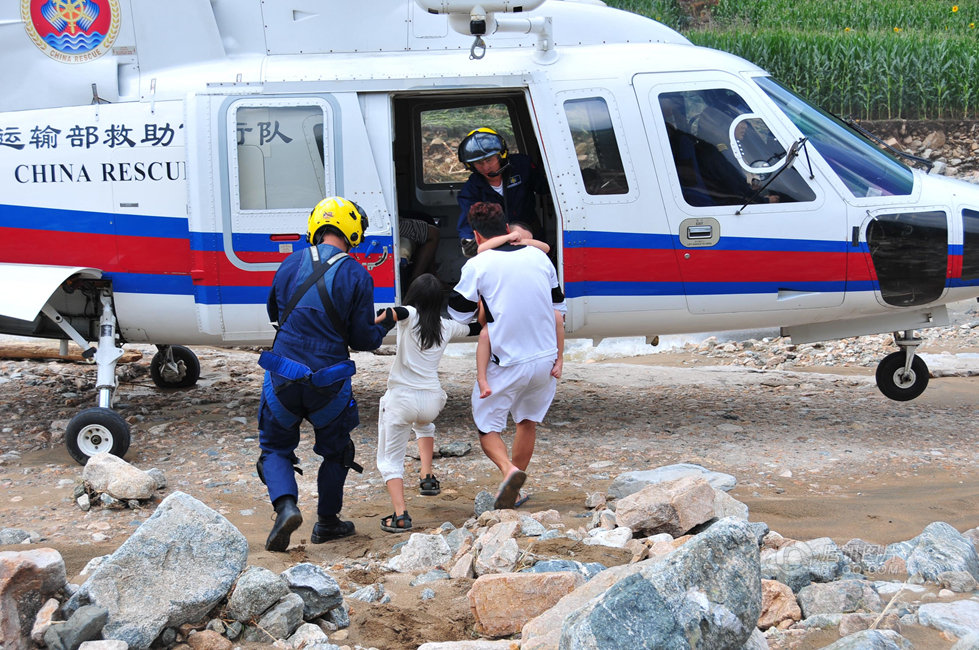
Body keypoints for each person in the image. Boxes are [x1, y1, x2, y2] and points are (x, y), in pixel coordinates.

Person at [257, 196, 395, 552]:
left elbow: (274, 311)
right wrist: (384, 324)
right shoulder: (357, 274)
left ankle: (286, 506)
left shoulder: (290, 263)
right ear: (353, 233)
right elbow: (363, 339)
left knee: (275, 448)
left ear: (315, 227)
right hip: (328, 381)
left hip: (282, 375)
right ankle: (328, 523)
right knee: (337, 452)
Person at [448, 202, 566, 510]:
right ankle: (516, 487)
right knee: (527, 421)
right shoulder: (538, 256)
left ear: (475, 233)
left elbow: (458, 313)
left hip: (508, 361)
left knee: (488, 427)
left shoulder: (478, 264)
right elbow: (558, 307)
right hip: (545, 358)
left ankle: (508, 470)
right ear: (506, 227)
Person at [373, 274, 481, 533]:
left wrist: (376, 322)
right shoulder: (446, 326)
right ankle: (426, 475)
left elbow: (389, 313)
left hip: (402, 399)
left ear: (414, 296)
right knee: (423, 424)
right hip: (432, 400)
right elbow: (477, 328)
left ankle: (400, 515)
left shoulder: (409, 314)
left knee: (389, 461)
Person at [473, 224, 558, 400]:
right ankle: (482, 377)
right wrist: (508, 239)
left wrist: (522, 240)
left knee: (554, 318)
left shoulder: (529, 253)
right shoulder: (493, 256)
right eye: (516, 238)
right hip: (498, 316)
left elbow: (546, 247)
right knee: (485, 334)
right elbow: (481, 248)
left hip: (526, 318)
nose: (521, 244)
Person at [456, 127, 546, 257]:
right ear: (471, 165)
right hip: (496, 243)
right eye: (479, 163)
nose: (486, 167)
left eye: (489, 160)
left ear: (501, 155)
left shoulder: (522, 166)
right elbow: (468, 220)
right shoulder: (470, 190)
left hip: (530, 231)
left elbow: (545, 188)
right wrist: (468, 242)